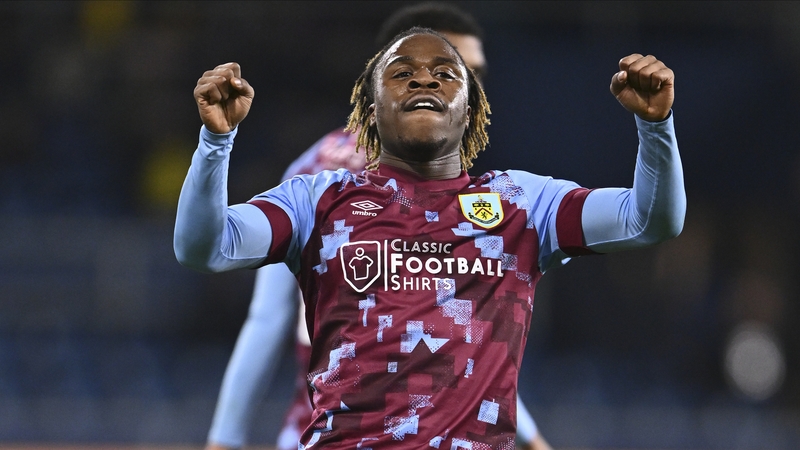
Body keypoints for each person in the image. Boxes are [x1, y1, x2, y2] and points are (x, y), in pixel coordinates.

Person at [176, 25, 685, 450]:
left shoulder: (525, 205)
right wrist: (215, 142)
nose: (424, 79)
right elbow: (204, 247)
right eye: (402, 73)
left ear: (469, 112)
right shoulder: (317, 200)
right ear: (371, 113)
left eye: (445, 75)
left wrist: (656, 127)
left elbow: (649, 220)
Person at [204, 4, 550, 450]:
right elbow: (268, 316)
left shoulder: (438, 178)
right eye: (457, 68)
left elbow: (449, 338)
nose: (473, 86)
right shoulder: (327, 184)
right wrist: (225, 438)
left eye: (476, 73)